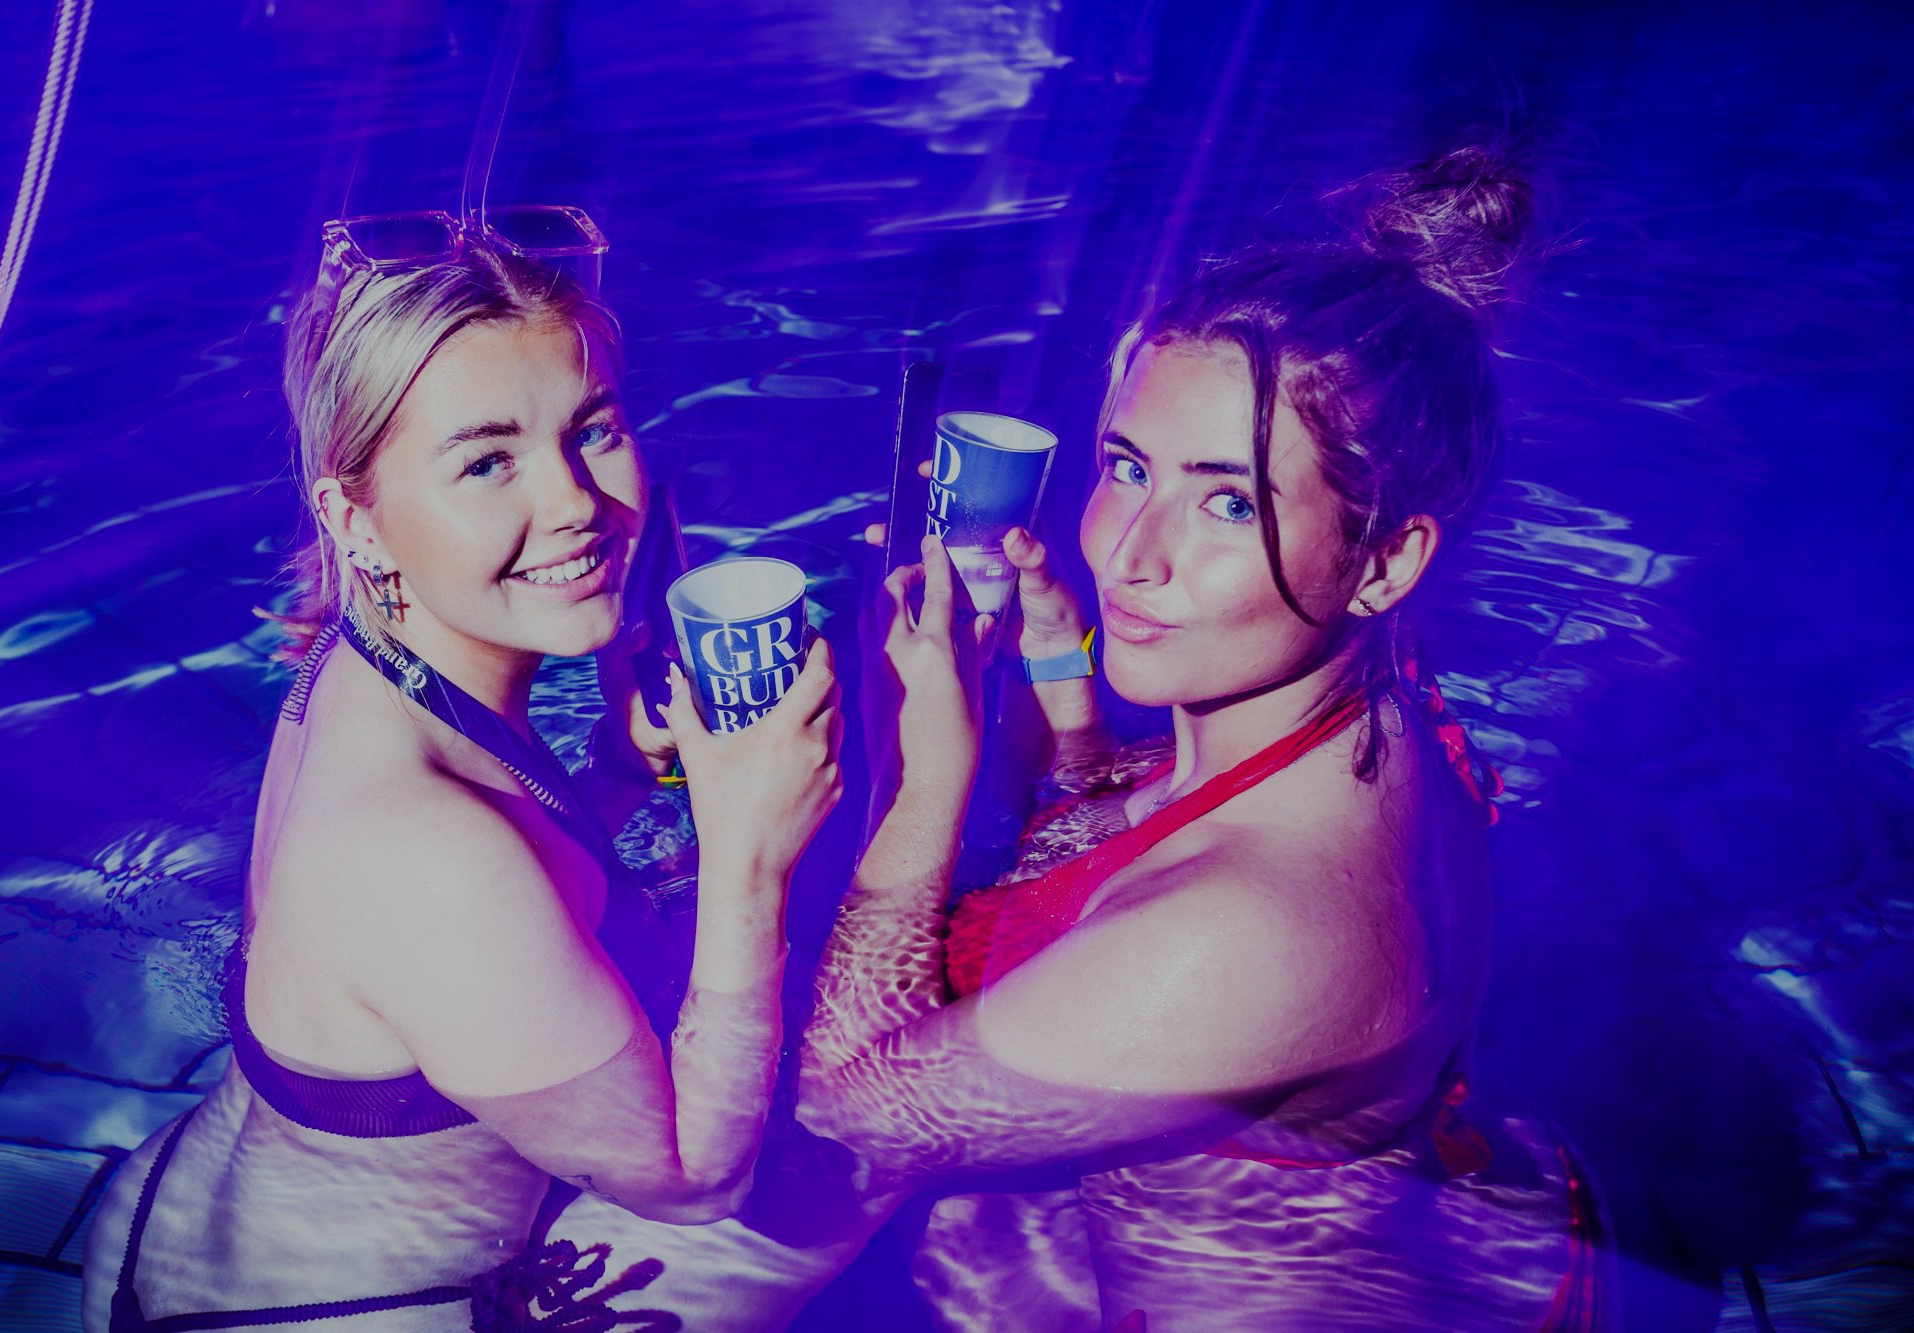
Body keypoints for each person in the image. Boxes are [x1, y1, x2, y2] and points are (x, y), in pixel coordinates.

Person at [803, 147, 1608, 1330]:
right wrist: (1065, 691)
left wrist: (924, 779)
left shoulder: (1251, 932)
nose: (1129, 552)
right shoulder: (1374, 706)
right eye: (1128, 468)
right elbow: (1142, 830)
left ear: (1383, 561)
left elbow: (849, 1114)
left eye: (1227, 501)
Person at [81, 212, 844, 1331]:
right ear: (359, 516)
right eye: (488, 461)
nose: (576, 502)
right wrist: (748, 860)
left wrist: (615, 774)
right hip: (329, 1312)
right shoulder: (425, 851)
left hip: (180, 1237)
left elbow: (501, 889)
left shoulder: (366, 669)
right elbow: (690, 1185)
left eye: (592, 430)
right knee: (860, 1156)